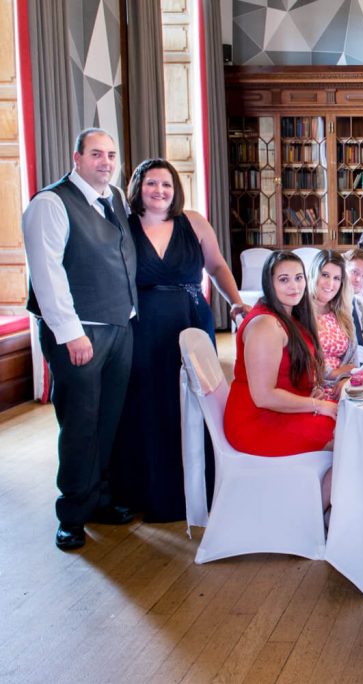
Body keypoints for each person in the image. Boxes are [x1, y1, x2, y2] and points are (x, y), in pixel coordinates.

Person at [110, 158, 248, 523]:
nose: (159, 191)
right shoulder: (123, 226)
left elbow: (217, 266)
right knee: (147, 400)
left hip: (190, 319)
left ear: (176, 189)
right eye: (151, 183)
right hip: (143, 325)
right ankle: (150, 491)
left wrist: (235, 303)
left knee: (196, 396)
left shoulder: (194, 222)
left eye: (166, 185)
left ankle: (202, 485)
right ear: (138, 187)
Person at [22, 128, 137, 549]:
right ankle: (72, 513)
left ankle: (100, 500)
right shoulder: (51, 204)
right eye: (96, 154)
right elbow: (48, 275)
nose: (106, 162)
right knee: (79, 425)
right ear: (77, 157)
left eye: (111, 154)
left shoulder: (115, 200)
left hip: (119, 326)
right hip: (79, 334)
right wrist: (71, 334)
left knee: (108, 419)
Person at [224, 251, 337, 457]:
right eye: (284, 280)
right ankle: (327, 487)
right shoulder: (266, 325)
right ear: (269, 283)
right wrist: (317, 405)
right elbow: (263, 396)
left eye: (298, 278)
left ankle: (327, 484)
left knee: (349, 423)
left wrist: (310, 393)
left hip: (279, 411)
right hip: (257, 422)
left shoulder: (290, 316)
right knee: (346, 434)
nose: (294, 286)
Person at [309, 249, 356, 379]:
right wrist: (334, 374)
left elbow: (353, 361)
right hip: (316, 387)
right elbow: (302, 359)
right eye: (325, 275)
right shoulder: (302, 312)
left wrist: (345, 380)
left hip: (344, 382)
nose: (330, 284)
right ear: (313, 275)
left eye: (336, 278)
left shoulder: (342, 312)